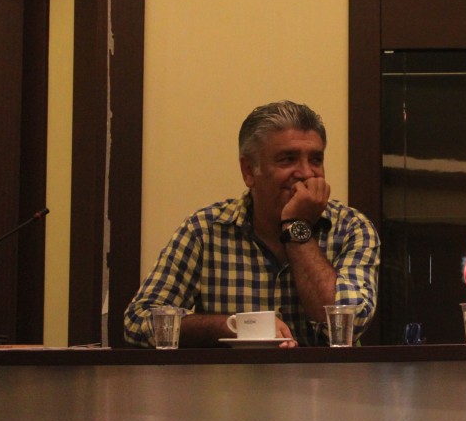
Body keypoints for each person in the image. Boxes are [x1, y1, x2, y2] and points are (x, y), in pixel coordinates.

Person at [123, 101, 380, 348]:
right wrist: (233, 326)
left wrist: (296, 226)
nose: (306, 173)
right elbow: (138, 322)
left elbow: (350, 324)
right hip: (233, 379)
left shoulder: (351, 228)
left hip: (324, 380)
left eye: (315, 159)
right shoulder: (205, 230)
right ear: (249, 171)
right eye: (287, 159)